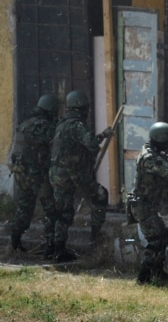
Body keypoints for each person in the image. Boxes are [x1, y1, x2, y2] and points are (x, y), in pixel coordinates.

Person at [49, 90, 110, 262]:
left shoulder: (62, 124)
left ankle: (56, 248)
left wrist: (103, 135)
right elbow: (90, 144)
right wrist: (95, 145)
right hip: (73, 173)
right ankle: (96, 238)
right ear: (82, 108)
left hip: (56, 173)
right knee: (100, 195)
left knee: (63, 211)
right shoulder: (78, 124)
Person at [132, 122, 168, 284]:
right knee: (156, 240)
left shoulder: (154, 151)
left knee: (164, 235)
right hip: (143, 205)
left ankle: (158, 271)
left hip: (149, 205)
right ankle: (144, 277)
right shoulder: (150, 158)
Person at [9, 93, 59, 255]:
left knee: (24, 208)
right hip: (39, 174)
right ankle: (51, 246)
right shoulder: (45, 127)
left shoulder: (24, 125)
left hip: (22, 173)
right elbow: (55, 146)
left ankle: (14, 241)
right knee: (51, 210)